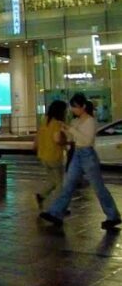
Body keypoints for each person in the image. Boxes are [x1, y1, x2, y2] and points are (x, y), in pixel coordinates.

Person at [40, 94, 121, 231]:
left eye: (76, 107)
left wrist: (71, 130)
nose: (73, 110)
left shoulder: (90, 121)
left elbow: (87, 140)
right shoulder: (75, 121)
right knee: (68, 185)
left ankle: (112, 215)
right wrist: (64, 131)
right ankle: (55, 213)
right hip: (77, 153)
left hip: (88, 154)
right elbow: (73, 138)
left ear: (83, 106)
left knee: (98, 187)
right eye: (72, 107)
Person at [34, 100, 68, 210]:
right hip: (54, 156)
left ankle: (41, 195)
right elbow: (57, 139)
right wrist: (66, 141)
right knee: (59, 183)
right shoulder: (57, 124)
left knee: (52, 180)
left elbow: (37, 139)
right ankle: (58, 207)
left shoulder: (44, 121)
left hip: (43, 155)